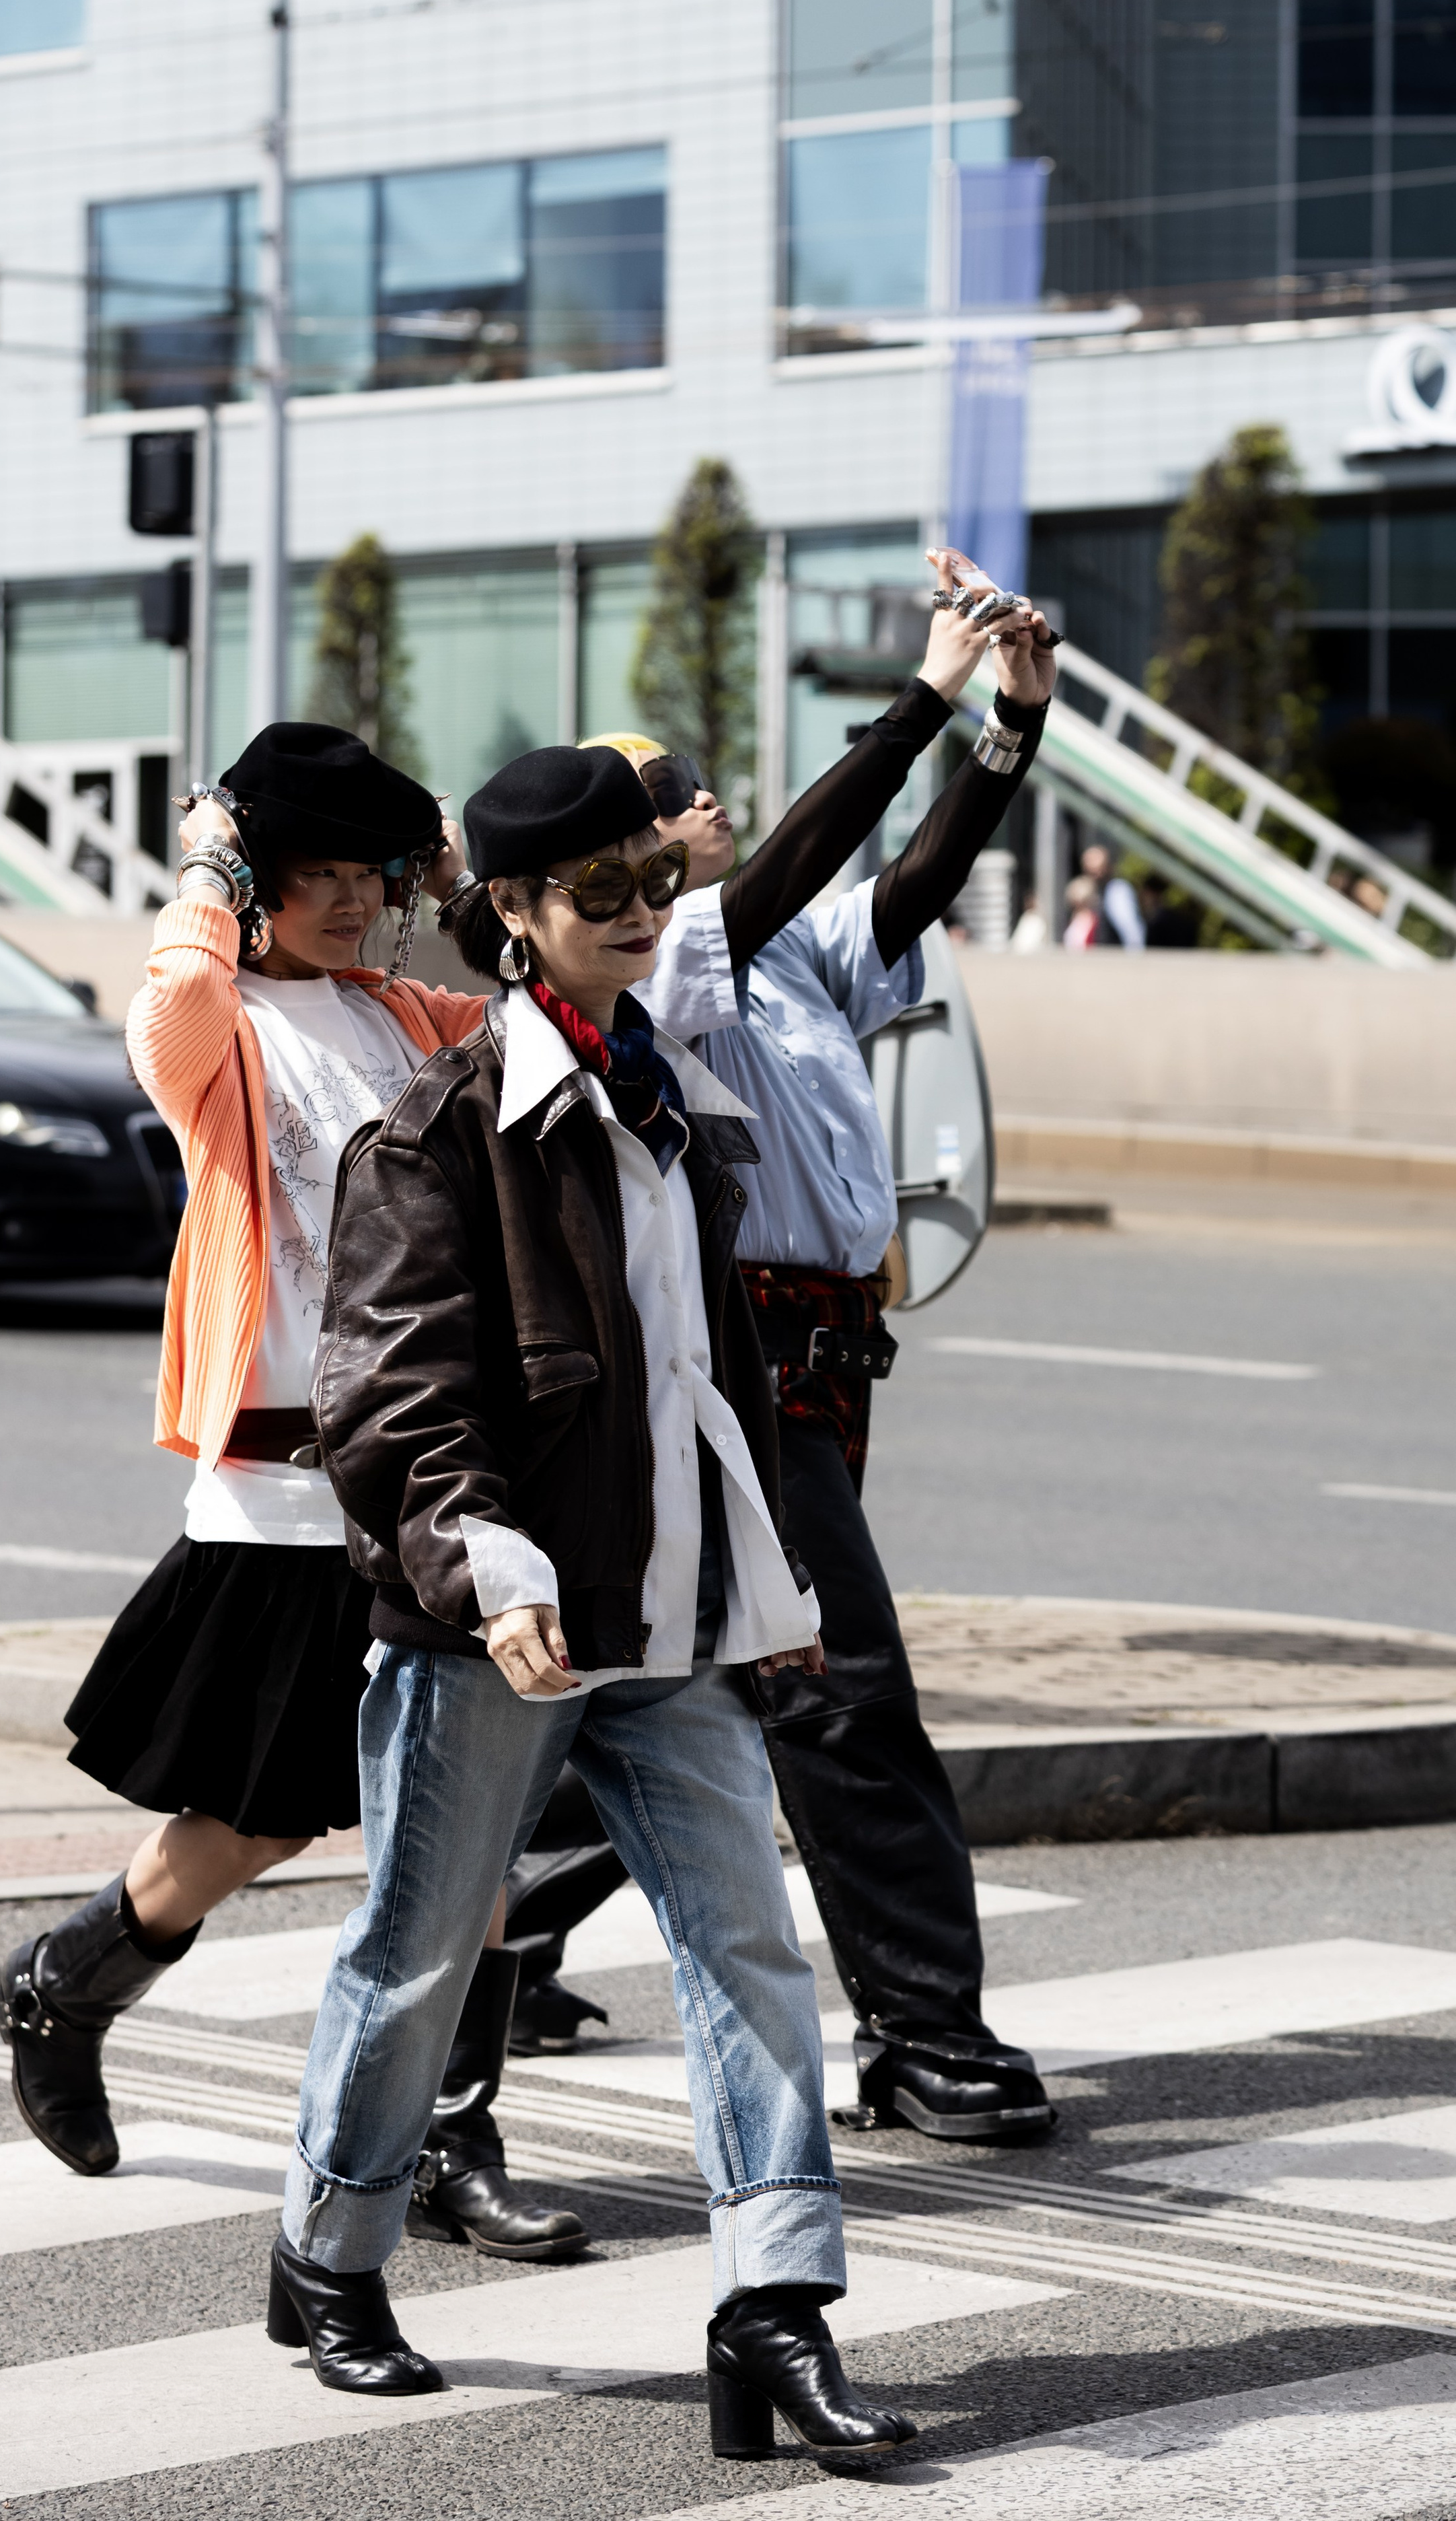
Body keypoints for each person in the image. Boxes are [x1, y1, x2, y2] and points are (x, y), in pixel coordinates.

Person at [272, 740, 918, 2468]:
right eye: (600, 892)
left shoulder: (674, 1102)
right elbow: (391, 1397)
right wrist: (487, 1566)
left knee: (748, 1952)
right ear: (511, 913)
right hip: (499, 1624)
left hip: (671, 1621)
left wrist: (767, 1584)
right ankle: (328, 2251)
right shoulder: (437, 1130)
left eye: (655, 883)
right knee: (416, 1959)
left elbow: (709, 1386)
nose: (642, 914)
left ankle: (769, 2310)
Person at [0, 722, 590, 2269]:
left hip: (435, 1478)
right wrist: (205, 855)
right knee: (249, 1816)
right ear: (259, 880)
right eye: (308, 872)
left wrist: (456, 883)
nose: (341, 901)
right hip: (276, 1480)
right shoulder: (223, 1029)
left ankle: (455, 2135)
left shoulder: (410, 1011)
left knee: (472, 1828)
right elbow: (176, 995)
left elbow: (554, 1020)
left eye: (363, 872)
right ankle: (64, 1982)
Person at [551, 551, 1056, 2145]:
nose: (692, 818)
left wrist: (1006, 731)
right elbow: (783, 867)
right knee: (844, 1693)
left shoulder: (779, 961)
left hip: (822, 1367)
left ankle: (494, 1926)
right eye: (654, 816)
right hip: (733, 1367)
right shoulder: (673, 969)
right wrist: (919, 692)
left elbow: (902, 884)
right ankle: (927, 2032)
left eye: (692, 799)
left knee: (658, 1687)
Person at [1079, 841, 1146, 949]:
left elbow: (1130, 929)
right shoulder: (1092, 893)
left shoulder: (1117, 890)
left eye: (1099, 869)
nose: (1096, 874)